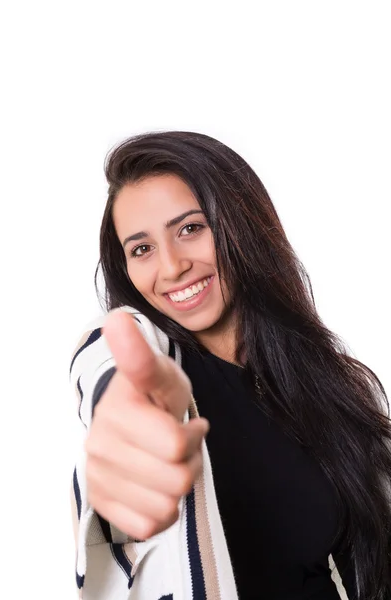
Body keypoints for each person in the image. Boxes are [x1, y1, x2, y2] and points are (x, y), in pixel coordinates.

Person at [70, 131, 391, 600]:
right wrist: (123, 416)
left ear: (242, 223)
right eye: (142, 249)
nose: (173, 266)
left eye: (190, 229)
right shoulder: (143, 359)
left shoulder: (330, 386)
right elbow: (106, 367)